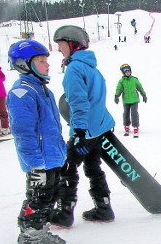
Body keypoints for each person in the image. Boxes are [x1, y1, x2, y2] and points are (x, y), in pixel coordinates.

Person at [7, 39, 67, 244]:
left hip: (51, 158)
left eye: (46, 60)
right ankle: (29, 242)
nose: (47, 64)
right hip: (38, 161)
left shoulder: (42, 90)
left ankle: (40, 233)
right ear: (24, 64)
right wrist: (35, 163)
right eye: (41, 61)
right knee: (38, 199)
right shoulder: (22, 93)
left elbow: (53, 128)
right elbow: (24, 133)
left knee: (48, 197)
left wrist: (61, 153)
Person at [50, 25, 116, 227]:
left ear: (72, 44)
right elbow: (98, 101)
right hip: (97, 129)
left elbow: (79, 102)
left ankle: (64, 212)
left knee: (66, 168)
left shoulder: (74, 69)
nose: (59, 50)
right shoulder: (92, 69)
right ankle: (103, 208)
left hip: (85, 130)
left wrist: (79, 132)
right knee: (93, 167)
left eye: (61, 45)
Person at [114, 63, 147, 136]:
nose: (128, 73)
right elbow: (119, 88)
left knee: (134, 113)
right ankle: (126, 126)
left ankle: (135, 126)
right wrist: (116, 95)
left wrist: (143, 94)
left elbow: (140, 87)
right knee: (126, 113)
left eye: (129, 71)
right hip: (126, 100)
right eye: (126, 72)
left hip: (134, 100)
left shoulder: (134, 80)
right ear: (123, 73)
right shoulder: (122, 81)